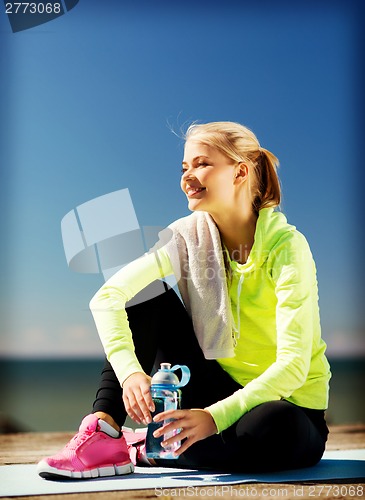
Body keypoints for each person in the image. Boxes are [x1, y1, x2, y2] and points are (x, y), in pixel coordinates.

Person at [37, 121, 331, 479]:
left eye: (202, 163)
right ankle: (106, 434)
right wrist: (131, 374)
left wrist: (212, 417)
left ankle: (152, 447)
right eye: (184, 167)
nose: (188, 176)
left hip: (286, 405)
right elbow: (108, 297)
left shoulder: (286, 248)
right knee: (147, 297)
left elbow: (293, 366)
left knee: (276, 424)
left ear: (240, 171)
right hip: (214, 383)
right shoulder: (186, 237)